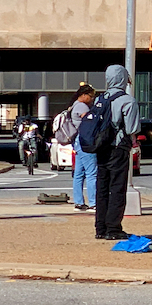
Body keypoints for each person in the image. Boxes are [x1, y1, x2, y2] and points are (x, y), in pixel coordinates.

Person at [94, 64, 140, 241]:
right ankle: (114, 228)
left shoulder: (101, 99)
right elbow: (132, 128)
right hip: (118, 148)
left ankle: (101, 227)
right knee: (117, 189)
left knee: (102, 188)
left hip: (101, 148)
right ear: (123, 78)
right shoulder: (127, 100)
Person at [64, 83, 96, 211]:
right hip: (85, 141)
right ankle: (93, 203)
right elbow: (90, 124)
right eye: (90, 96)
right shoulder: (82, 107)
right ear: (83, 95)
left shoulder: (74, 106)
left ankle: (79, 202)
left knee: (78, 174)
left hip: (77, 142)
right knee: (92, 173)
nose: (92, 99)